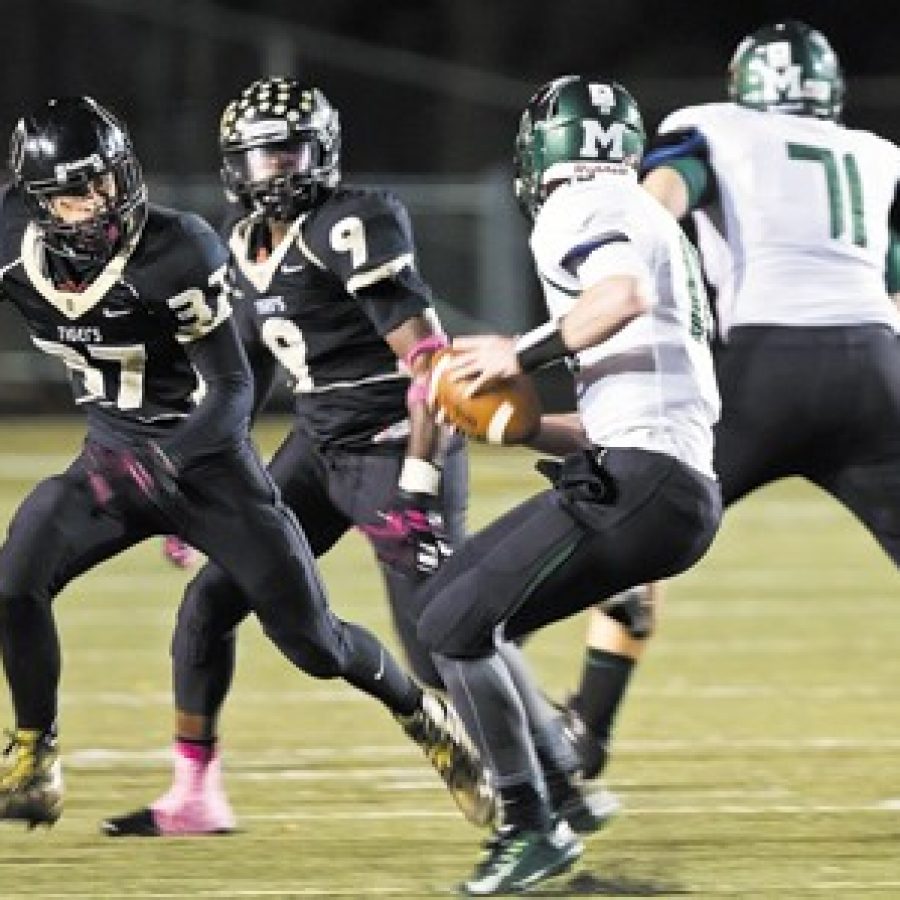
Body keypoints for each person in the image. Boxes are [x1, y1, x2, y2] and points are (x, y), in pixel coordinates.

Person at [0, 95, 489, 830]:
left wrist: (169, 463)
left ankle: (422, 714)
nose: (103, 201)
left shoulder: (178, 249)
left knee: (314, 644)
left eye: (109, 179)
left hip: (209, 470)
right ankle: (36, 754)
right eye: (78, 192)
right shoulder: (12, 239)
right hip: (110, 457)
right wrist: (133, 467)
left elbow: (233, 383)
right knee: (14, 583)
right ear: (40, 205)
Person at [563, 19, 900, 782]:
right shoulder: (870, 155)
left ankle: (587, 725)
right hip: (875, 369)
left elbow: (659, 204)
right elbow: (891, 283)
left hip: (765, 367)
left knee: (640, 510)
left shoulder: (717, 132)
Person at [414, 75, 722, 895]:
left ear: (543, 150)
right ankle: (558, 796)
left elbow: (619, 298)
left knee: (452, 622)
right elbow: (638, 398)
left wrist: (517, 353)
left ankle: (530, 825)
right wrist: (519, 426)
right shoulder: (648, 214)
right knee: (468, 613)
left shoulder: (579, 205)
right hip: (657, 477)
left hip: (645, 484)